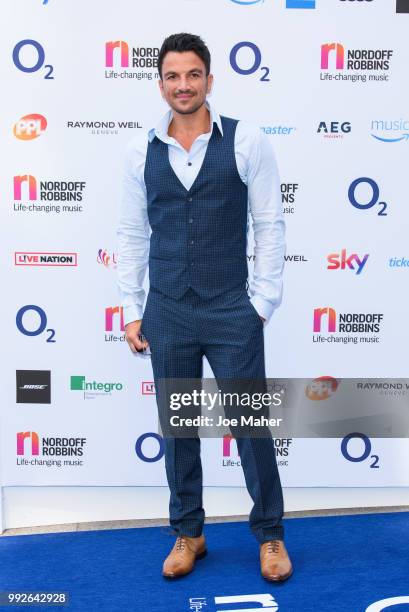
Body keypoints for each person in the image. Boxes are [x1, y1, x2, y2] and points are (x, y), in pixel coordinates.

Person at [116, 32, 292, 582]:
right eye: (173, 76)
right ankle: (188, 532)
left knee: (251, 426)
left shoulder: (247, 141)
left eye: (193, 75)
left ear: (209, 80)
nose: (183, 85)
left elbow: (269, 224)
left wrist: (261, 302)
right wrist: (131, 305)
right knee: (178, 427)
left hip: (231, 308)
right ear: (161, 83)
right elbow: (130, 233)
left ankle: (270, 536)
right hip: (167, 308)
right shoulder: (139, 149)